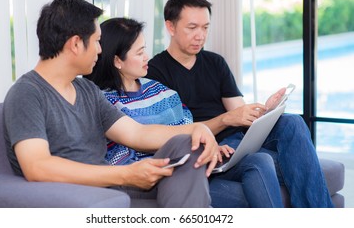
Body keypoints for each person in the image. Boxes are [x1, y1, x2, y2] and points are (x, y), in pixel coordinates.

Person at [3, 0, 219, 208]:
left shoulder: (87, 91)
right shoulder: (27, 93)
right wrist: (125, 174)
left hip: (113, 190)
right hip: (82, 197)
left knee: (184, 144)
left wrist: (198, 129)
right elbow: (37, 167)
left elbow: (137, 133)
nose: (100, 50)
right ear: (76, 44)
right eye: (97, 41)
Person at [146, 0, 334, 208]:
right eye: (192, 28)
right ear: (170, 27)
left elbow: (239, 113)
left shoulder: (215, 63)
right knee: (292, 162)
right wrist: (226, 120)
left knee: (292, 122)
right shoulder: (156, 72)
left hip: (238, 141)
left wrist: (264, 112)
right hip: (210, 148)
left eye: (205, 27)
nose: (200, 35)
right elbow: (173, 133)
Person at [84, 17, 283, 208]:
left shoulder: (159, 89)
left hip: (196, 161)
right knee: (249, 196)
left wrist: (209, 145)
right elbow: (135, 146)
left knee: (261, 160)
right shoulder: (106, 101)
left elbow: (186, 127)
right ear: (117, 61)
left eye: (145, 49)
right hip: (167, 175)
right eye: (139, 53)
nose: (147, 57)